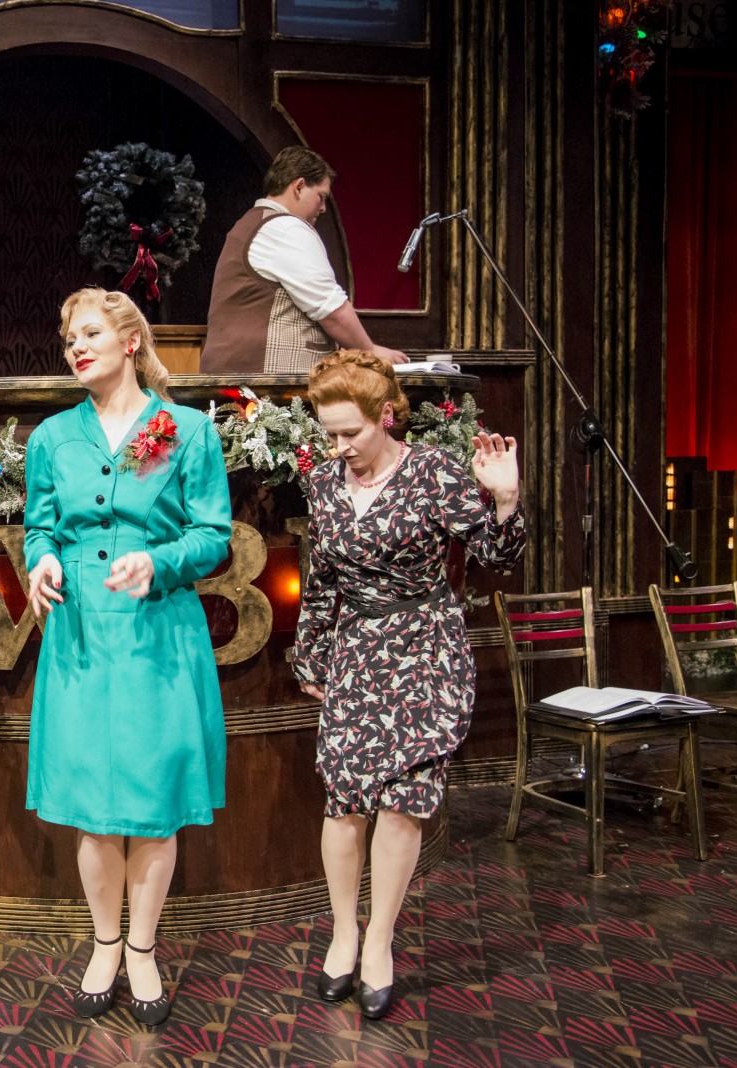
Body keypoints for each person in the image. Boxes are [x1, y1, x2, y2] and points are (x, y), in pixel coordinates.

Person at [293, 350, 523, 1020]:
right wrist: (312, 655)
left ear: (385, 417)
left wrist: (505, 499)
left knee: (403, 802)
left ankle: (380, 941)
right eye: (329, 433)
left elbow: (497, 557)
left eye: (350, 432)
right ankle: (343, 931)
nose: (339, 446)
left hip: (425, 647)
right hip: (357, 650)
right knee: (344, 799)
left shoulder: (432, 473)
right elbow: (322, 580)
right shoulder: (324, 483)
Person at [24, 287, 231, 1027]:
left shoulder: (188, 431)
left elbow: (214, 535)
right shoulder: (52, 437)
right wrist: (43, 560)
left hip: (157, 634)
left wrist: (161, 562)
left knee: (152, 803)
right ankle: (104, 944)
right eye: (68, 339)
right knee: (92, 804)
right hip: (81, 633)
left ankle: (143, 948)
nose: (76, 348)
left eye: (89, 334)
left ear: (130, 342)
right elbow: (40, 526)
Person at [202, 146, 407, 373]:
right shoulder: (286, 227)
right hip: (265, 380)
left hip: (235, 371)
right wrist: (370, 352)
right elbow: (332, 310)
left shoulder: (248, 224)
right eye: (321, 196)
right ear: (299, 186)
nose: (323, 208)